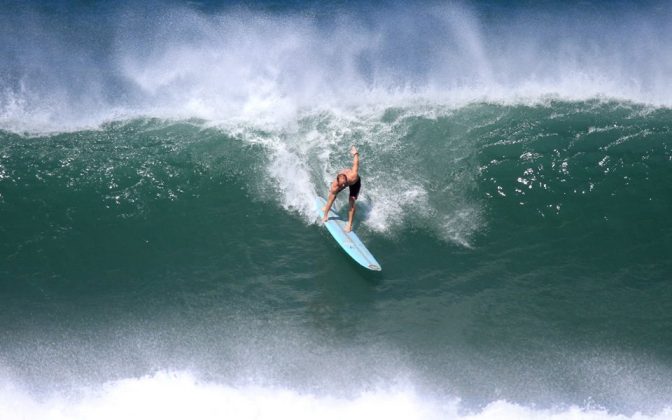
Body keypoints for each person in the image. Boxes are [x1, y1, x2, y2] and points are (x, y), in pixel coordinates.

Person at [322, 145, 361, 232]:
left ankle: (349, 224)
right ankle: (326, 208)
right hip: (340, 181)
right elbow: (330, 199)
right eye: (341, 185)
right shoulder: (336, 185)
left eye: (344, 184)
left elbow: (356, 164)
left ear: (346, 180)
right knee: (332, 195)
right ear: (337, 181)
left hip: (355, 184)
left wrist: (355, 153)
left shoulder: (353, 176)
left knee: (351, 201)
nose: (343, 186)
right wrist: (325, 216)